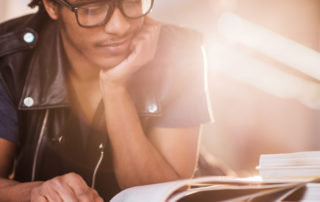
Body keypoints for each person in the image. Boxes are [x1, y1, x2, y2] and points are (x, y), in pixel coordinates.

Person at [0, 0, 212, 201]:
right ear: (52, 6)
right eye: (93, 9)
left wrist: (115, 87)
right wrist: (33, 192)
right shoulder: (9, 57)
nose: (119, 27)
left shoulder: (179, 53)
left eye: (131, 2)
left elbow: (161, 195)